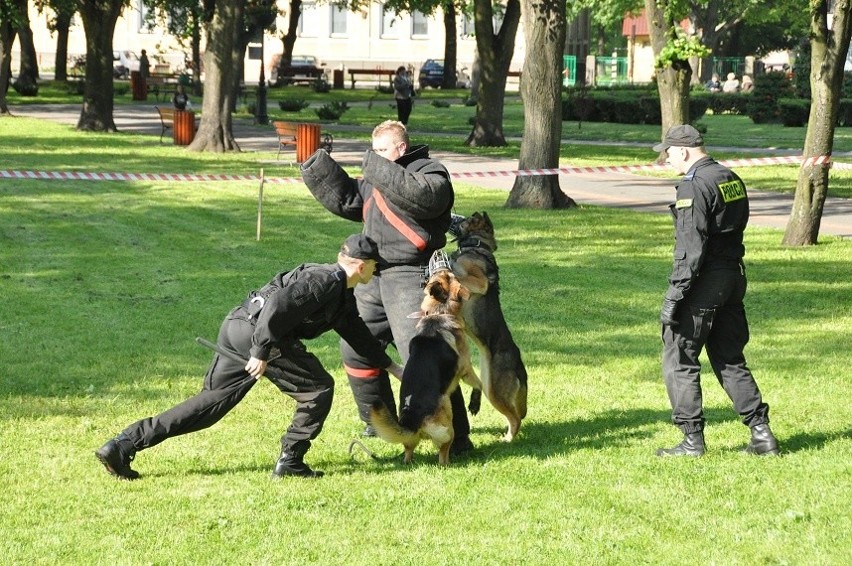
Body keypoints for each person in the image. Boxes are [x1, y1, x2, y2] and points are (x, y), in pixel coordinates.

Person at [95, 234, 403, 480]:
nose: (377, 271)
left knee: (210, 405)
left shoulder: (341, 294)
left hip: (239, 325)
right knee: (318, 388)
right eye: (376, 265)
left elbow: (358, 336)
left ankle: (123, 444)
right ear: (362, 266)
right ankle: (290, 461)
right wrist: (260, 351)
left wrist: (392, 367)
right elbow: (278, 306)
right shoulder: (325, 281)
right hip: (260, 335)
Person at [300, 120, 475, 456]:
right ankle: (379, 422)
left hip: (410, 275)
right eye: (373, 151)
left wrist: (373, 165)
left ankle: (458, 439)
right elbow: (352, 200)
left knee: (424, 357)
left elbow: (427, 200)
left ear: (401, 148)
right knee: (356, 348)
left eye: (382, 151)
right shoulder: (381, 177)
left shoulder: (430, 172)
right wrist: (314, 163)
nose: (376, 158)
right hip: (373, 274)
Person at [652, 125, 779, 458]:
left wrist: (675, 296)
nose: (665, 158)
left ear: (683, 150)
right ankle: (762, 434)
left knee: (679, 356)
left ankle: (692, 440)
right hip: (733, 277)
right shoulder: (730, 177)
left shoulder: (694, 186)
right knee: (729, 358)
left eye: (667, 152)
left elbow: (689, 249)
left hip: (704, 282)